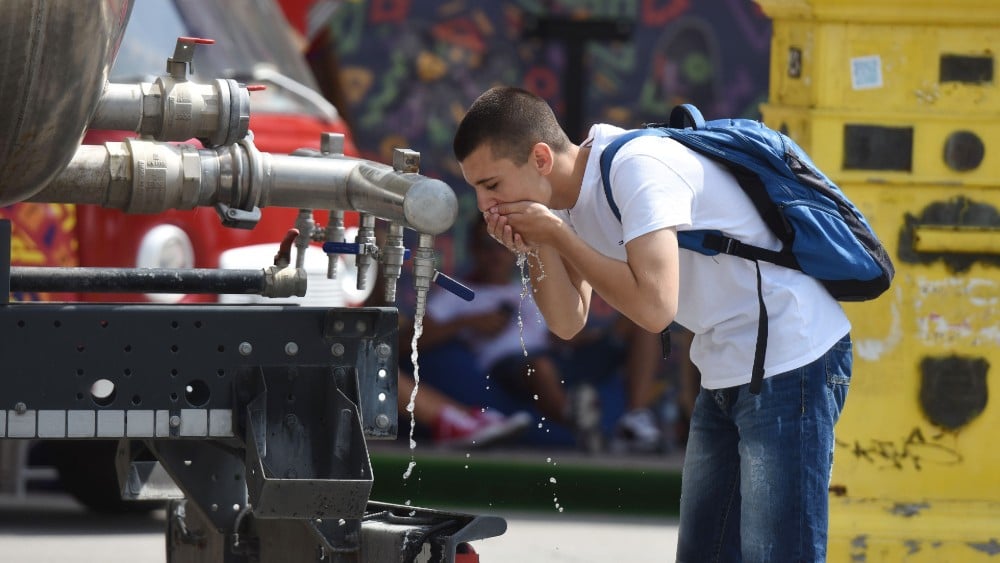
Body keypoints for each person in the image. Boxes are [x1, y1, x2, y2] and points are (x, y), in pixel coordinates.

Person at [452, 86, 852, 562]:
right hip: (725, 365)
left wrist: (557, 234)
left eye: (492, 185)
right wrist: (536, 244)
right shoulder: (562, 206)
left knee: (781, 553)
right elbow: (566, 322)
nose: (484, 205)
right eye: (476, 188)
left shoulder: (634, 168)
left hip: (793, 355)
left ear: (540, 157)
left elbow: (655, 307)